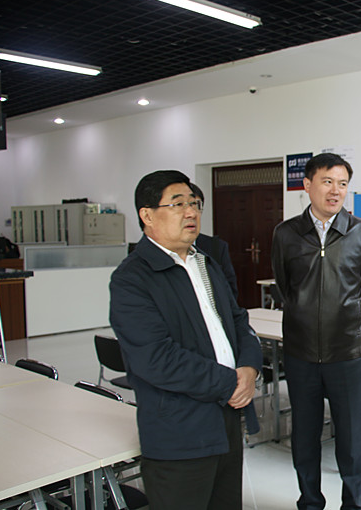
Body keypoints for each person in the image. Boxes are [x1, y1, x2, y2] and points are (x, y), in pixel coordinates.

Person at [109, 170, 262, 510]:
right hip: (179, 431)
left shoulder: (205, 263)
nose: (191, 212)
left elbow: (238, 320)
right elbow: (156, 358)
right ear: (147, 216)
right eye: (177, 204)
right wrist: (230, 382)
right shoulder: (132, 280)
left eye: (194, 203)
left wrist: (250, 368)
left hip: (226, 420)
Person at [271, 153, 361, 510]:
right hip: (301, 352)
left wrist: (353, 322)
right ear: (307, 185)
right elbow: (285, 287)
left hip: (348, 353)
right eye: (327, 182)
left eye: (342, 184)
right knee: (304, 437)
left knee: (351, 440)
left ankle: (354, 505)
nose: (335, 191)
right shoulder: (286, 234)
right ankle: (309, 502)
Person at [188, 182, 239, 298]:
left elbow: (230, 291)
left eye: (196, 205)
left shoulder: (216, 247)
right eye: (181, 205)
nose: (192, 213)